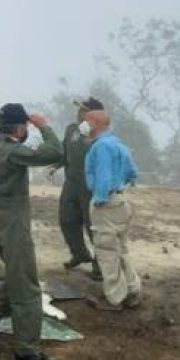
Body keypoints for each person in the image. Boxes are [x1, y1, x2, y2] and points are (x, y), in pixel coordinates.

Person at [0, 103, 64, 360]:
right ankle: (27, 351)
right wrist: (44, 126)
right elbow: (55, 152)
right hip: (12, 225)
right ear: (20, 127)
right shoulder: (13, 152)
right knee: (28, 289)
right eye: (26, 126)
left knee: (17, 275)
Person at [83, 109, 142, 311]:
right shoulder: (117, 144)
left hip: (106, 203)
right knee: (121, 248)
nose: (83, 125)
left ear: (96, 123)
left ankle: (115, 298)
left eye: (86, 121)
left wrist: (100, 198)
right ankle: (133, 290)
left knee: (106, 250)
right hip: (121, 201)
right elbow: (133, 173)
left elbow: (103, 175)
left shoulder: (102, 147)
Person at [48, 97, 103, 280]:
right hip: (71, 184)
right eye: (79, 109)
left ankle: (101, 264)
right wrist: (55, 165)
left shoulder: (101, 135)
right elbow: (65, 152)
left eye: (84, 110)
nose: (79, 113)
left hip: (92, 187)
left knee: (93, 226)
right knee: (67, 220)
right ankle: (79, 253)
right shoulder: (72, 129)